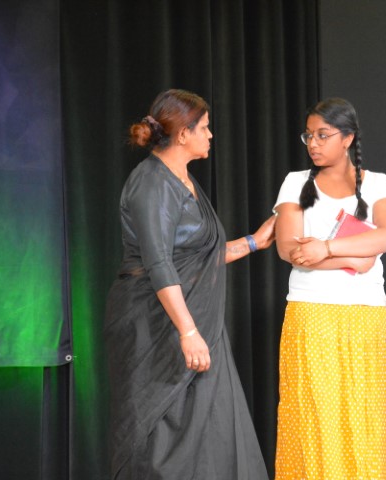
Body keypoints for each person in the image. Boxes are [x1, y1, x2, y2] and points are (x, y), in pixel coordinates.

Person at [104, 89, 273, 479]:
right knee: (165, 437)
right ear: (183, 134)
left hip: (192, 321)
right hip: (158, 326)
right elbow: (159, 262)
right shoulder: (152, 182)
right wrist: (188, 331)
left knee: (212, 430)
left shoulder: (183, 179)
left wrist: (254, 241)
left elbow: (199, 255)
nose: (211, 135)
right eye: (205, 127)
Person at [272, 98, 386, 479]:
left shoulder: (377, 183)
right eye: (308, 136)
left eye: (322, 135)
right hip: (311, 315)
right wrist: (353, 259)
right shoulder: (295, 182)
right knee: (314, 421)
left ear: (347, 138)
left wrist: (326, 248)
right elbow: (289, 249)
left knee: (365, 421)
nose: (313, 143)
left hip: (366, 317)